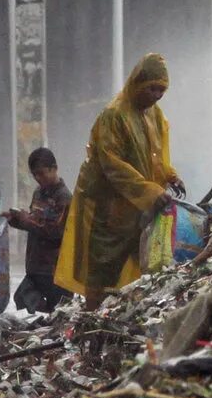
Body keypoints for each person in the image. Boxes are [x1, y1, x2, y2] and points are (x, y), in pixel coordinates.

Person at [55, 52, 185, 311]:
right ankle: (92, 318)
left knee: (140, 262)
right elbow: (112, 164)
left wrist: (170, 175)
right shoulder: (114, 116)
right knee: (101, 266)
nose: (157, 95)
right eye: (152, 89)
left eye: (162, 90)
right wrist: (149, 191)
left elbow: (156, 155)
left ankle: (122, 312)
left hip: (137, 206)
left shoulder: (154, 115)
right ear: (138, 83)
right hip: (108, 206)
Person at [6, 147, 73, 313]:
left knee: (59, 312)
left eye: (42, 173)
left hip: (54, 269)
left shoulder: (63, 197)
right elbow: (34, 222)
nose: (38, 178)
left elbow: (55, 231)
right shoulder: (38, 193)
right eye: (35, 174)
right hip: (35, 264)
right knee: (22, 297)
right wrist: (14, 219)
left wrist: (26, 219)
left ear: (54, 168)